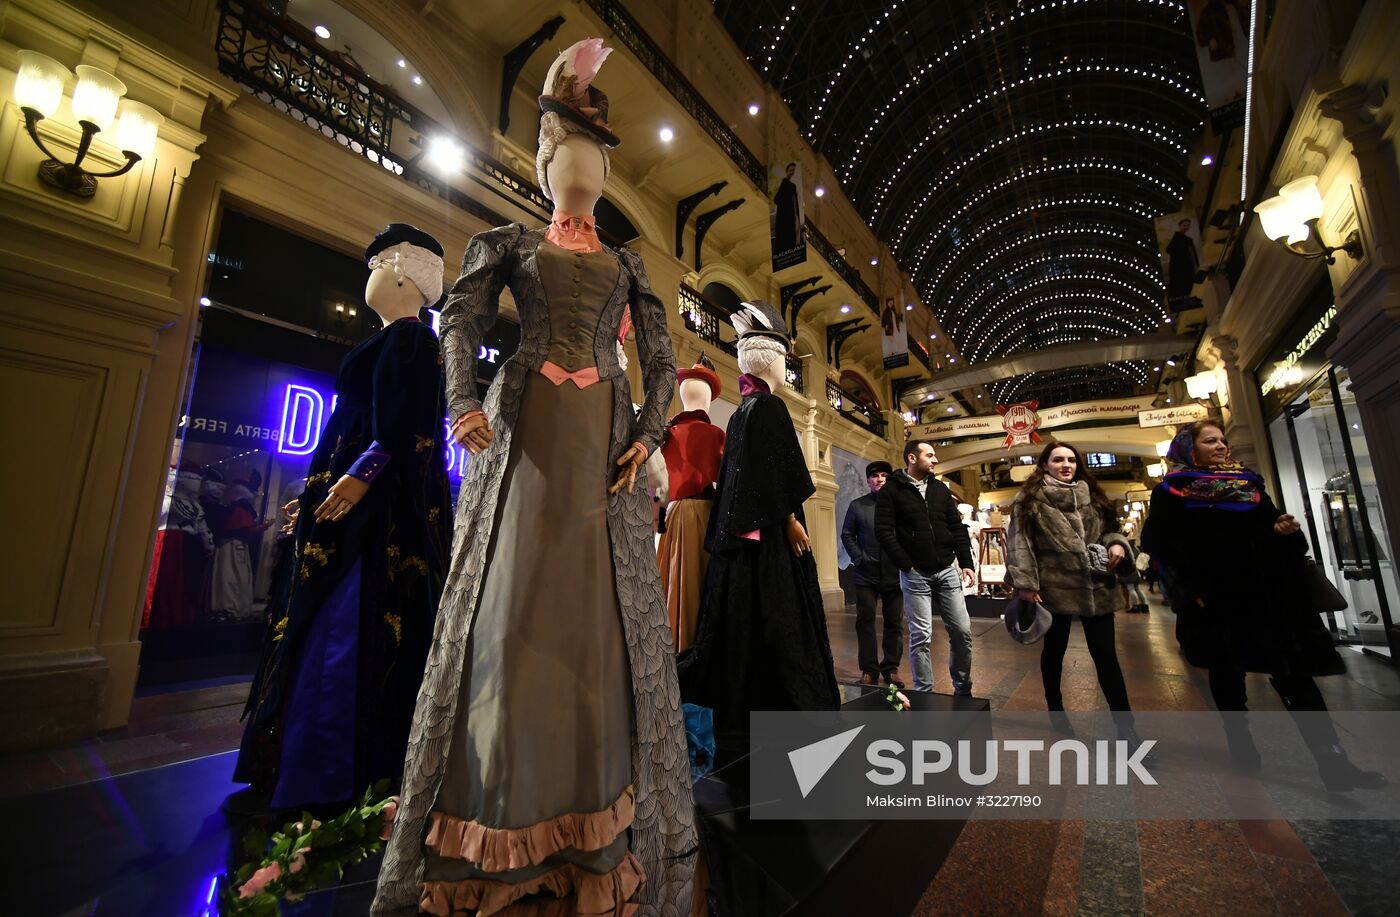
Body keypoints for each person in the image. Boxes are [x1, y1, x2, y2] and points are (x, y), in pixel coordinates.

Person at [373, 40, 695, 915]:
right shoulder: (504, 242)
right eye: (568, 155)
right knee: (509, 611)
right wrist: (463, 403)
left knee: (597, 621)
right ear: (548, 163)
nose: (582, 169)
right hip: (524, 440)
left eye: (594, 157)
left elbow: (664, 363)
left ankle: (589, 828)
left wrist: (649, 429)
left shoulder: (631, 266)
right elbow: (457, 322)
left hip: (602, 449)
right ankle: (495, 820)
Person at [233, 224, 452, 815]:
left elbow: (404, 425)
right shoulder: (391, 341)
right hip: (347, 485)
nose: (370, 276)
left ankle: (334, 771)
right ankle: (297, 764)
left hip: (378, 506)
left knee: (349, 613)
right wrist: (315, 492)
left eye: (378, 264)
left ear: (404, 273)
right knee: (317, 611)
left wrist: (359, 478)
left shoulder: (415, 343)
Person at [1141, 420, 1385, 791]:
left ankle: (1332, 760)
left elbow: (1281, 540)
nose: (1222, 446)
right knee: (1227, 676)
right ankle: (1242, 746)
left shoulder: (1249, 486)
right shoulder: (1172, 492)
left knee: (1295, 675)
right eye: (1211, 441)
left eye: (1223, 440)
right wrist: (1191, 590)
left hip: (1269, 595)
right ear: (1189, 448)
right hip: (1217, 599)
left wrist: (1287, 531)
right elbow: (1157, 543)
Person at [679, 299, 840, 754]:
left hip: (743, 537)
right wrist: (789, 520)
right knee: (780, 621)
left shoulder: (741, 411)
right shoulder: (766, 409)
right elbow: (773, 472)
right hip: (769, 534)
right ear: (776, 362)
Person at [1005, 442, 1140, 735]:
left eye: (1071, 460)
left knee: (1107, 658)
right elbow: (1020, 544)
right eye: (1058, 460)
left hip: (1097, 586)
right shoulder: (1030, 499)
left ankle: (1126, 729)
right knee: (1054, 652)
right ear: (1045, 465)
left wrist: (1117, 543)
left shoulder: (1092, 496)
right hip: (1055, 588)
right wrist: (1026, 584)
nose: (1066, 465)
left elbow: (1109, 530)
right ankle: (1056, 710)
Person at [875, 440, 976, 695]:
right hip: (915, 574)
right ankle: (924, 694)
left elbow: (956, 528)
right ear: (912, 458)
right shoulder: (892, 490)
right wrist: (906, 564)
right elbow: (884, 531)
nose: (935, 460)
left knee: (962, 631)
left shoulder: (941, 489)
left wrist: (966, 563)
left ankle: (963, 689)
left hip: (946, 570)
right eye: (930, 455)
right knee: (921, 637)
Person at [841, 460, 905, 687]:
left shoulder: (899, 505)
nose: (879, 479)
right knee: (865, 621)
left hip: (894, 573)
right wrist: (859, 558)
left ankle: (891, 669)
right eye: (875, 475)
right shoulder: (857, 505)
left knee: (894, 623)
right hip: (865, 574)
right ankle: (869, 669)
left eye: (884, 475)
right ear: (868, 480)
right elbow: (847, 534)